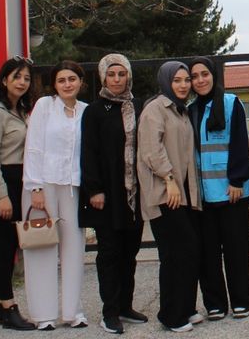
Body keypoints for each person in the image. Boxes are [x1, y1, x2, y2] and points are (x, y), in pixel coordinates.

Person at [80, 53, 147, 334]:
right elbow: (88, 152)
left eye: (122, 74)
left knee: (130, 252)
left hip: (134, 194)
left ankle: (125, 306)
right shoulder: (94, 111)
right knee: (109, 254)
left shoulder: (139, 106)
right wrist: (94, 189)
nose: (117, 79)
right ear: (103, 77)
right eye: (112, 74)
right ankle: (109, 312)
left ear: (128, 76)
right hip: (107, 195)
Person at [21, 60, 88, 329]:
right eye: (62, 80)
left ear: (80, 82)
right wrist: (35, 187)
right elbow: (34, 146)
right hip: (43, 185)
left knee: (74, 248)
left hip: (73, 186)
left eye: (72, 79)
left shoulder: (86, 111)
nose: (67, 84)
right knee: (43, 248)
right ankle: (44, 315)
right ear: (54, 84)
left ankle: (73, 312)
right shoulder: (44, 107)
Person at [187, 56, 249, 320]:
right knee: (208, 253)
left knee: (236, 250)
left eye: (204, 74)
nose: (200, 80)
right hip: (203, 195)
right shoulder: (191, 109)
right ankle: (214, 303)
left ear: (213, 76)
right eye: (195, 76)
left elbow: (239, 141)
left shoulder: (230, 103)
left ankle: (241, 301)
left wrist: (237, 180)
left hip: (230, 192)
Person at [138, 62, 203, 333]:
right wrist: (169, 180)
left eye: (186, 80)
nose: (183, 85)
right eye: (177, 80)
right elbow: (152, 150)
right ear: (166, 81)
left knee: (186, 252)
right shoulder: (155, 109)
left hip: (184, 194)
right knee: (177, 253)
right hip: (166, 194)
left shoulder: (181, 111)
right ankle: (171, 315)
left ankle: (186, 308)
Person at [0, 55, 38, 330]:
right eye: (17, 77)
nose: (22, 82)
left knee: (11, 246)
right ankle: (9, 306)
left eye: (26, 78)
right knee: (4, 247)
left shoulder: (20, 111)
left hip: (18, 182)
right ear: (4, 80)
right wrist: (0, 195)